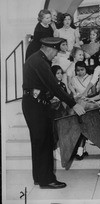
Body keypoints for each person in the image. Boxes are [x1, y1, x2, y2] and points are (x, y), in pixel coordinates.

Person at [22, 37, 85, 189]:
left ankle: (39, 177)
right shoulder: (39, 61)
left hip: (35, 103)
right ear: (49, 48)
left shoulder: (39, 59)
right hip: (35, 105)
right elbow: (54, 85)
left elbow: (45, 86)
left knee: (39, 142)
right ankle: (47, 180)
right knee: (44, 142)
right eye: (56, 51)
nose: (56, 55)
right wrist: (73, 104)